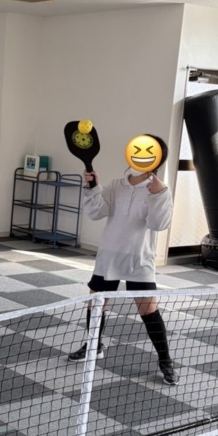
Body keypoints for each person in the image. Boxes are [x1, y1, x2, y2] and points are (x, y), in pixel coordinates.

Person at [68, 138, 179, 385]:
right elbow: (96, 212)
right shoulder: (116, 185)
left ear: (158, 159)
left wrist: (158, 195)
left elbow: (159, 224)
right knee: (96, 304)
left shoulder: (161, 189)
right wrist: (93, 187)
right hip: (109, 255)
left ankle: (165, 360)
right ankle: (94, 345)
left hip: (139, 260)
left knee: (148, 310)